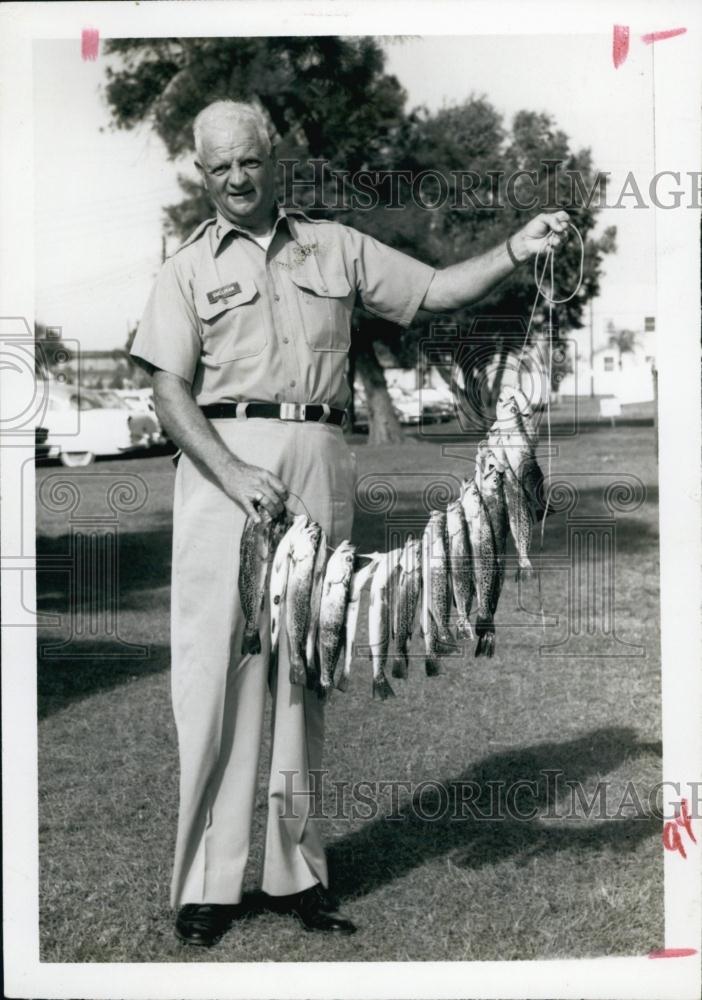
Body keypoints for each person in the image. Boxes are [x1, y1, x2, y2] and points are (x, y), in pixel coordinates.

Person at [130, 99, 569, 948]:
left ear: (272, 157)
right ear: (200, 172)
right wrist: (230, 471)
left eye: (247, 162)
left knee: (305, 670)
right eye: (216, 168)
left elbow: (436, 291)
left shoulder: (333, 244)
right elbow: (168, 393)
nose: (234, 180)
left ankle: (297, 873)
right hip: (226, 469)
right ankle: (207, 887)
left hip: (322, 463)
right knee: (215, 678)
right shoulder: (184, 269)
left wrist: (517, 248)